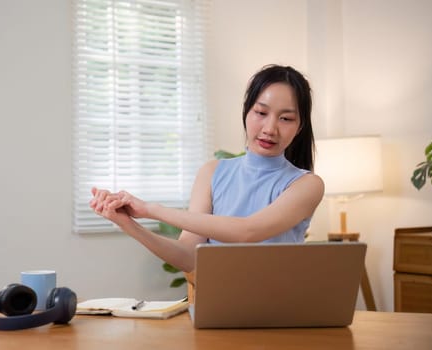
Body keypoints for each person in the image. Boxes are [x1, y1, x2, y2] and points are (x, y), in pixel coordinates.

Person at [89, 64, 324, 275]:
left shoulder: (306, 185)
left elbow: (247, 232)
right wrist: (128, 224)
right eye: (261, 113)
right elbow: (189, 257)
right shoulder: (212, 172)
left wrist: (151, 209)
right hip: (218, 312)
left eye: (285, 118)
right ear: (246, 112)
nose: (270, 128)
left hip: (279, 313)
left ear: (300, 126)